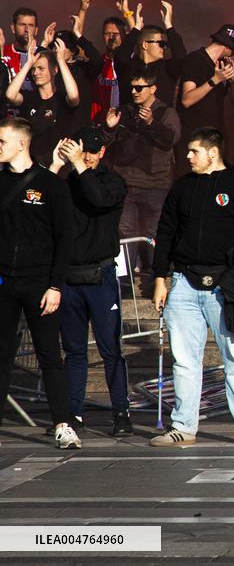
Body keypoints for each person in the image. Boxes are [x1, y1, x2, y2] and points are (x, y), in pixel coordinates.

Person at [150, 126, 234, 447]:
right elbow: (165, 233)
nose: (188, 156)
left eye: (194, 151)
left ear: (213, 152)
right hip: (184, 282)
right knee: (184, 360)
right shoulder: (182, 187)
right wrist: (160, 278)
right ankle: (183, 426)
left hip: (226, 285)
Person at [0, 117, 81, 448]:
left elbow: (65, 238)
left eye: (2, 142)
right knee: (2, 354)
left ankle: (63, 423)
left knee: (49, 355)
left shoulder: (50, 185)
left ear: (21, 143)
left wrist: (56, 285)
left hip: (40, 284)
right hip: (5, 282)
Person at [47, 128, 131, 435]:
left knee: (110, 349)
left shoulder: (113, 182)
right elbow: (38, 202)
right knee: (74, 350)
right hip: (70, 277)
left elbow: (99, 199)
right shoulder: (65, 183)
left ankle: (121, 412)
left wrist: (80, 167)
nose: (86, 157)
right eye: (81, 152)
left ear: (102, 152)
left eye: (92, 152)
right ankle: (73, 414)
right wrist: (55, 165)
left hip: (100, 275)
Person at [102, 67, 181, 279]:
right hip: (126, 183)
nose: (134, 92)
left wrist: (152, 123)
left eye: (139, 88)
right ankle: (125, 280)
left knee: (153, 233)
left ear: (153, 89)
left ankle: (157, 278)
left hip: (155, 185)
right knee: (125, 231)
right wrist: (109, 128)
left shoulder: (166, 113)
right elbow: (105, 144)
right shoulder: (124, 111)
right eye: (132, 88)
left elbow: (171, 140)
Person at [176, 24, 234, 166]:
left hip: (214, 138)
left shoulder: (221, 65)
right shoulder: (195, 60)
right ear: (228, 48)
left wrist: (232, 80)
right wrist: (215, 80)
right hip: (194, 138)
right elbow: (186, 100)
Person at [5, 40, 81, 163]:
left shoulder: (62, 98)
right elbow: (10, 95)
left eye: (41, 68)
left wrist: (61, 61)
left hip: (59, 163)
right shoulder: (29, 97)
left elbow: (74, 97)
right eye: (33, 69)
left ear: (54, 70)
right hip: (33, 163)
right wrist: (28, 64)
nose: (36, 73)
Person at [113, 0, 187, 108]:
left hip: (160, 119)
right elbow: (121, 56)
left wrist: (169, 25)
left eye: (165, 44)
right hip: (130, 118)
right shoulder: (128, 67)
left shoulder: (167, 69)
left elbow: (181, 56)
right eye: (161, 43)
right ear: (145, 45)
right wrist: (136, 29)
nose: (165, 47)